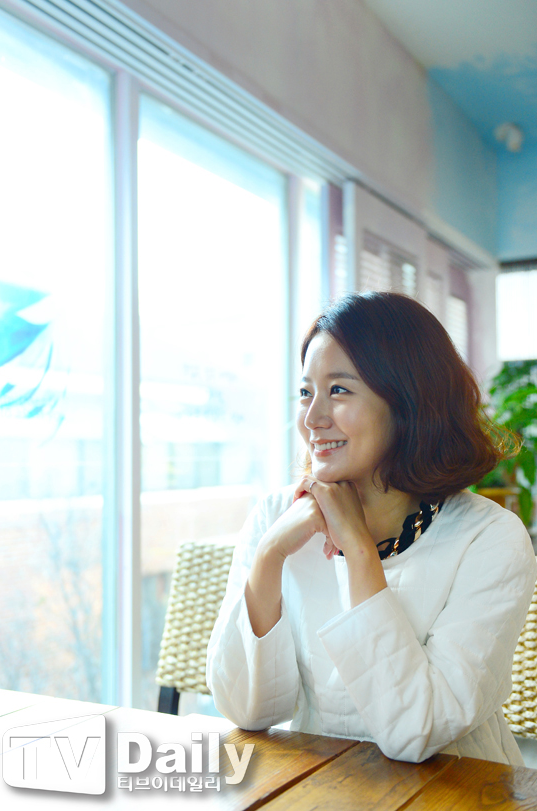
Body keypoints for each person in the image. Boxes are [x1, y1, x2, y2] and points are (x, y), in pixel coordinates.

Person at [206, 291, 537, 764]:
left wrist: (359, 550)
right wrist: (269, 555)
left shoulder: (490, 538)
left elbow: (417, 732)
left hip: (458, 789)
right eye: (306, 392)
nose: (313, 418)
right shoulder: (276, 516)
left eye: (339, 390)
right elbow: (247, 711)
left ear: (409, 401)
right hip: (319, 786)